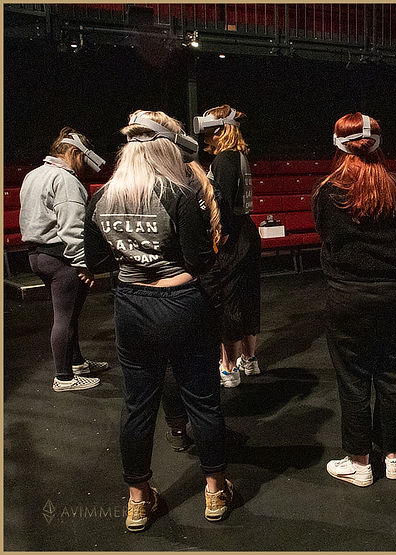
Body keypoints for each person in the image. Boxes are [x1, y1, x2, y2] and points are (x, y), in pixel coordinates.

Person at [84, 110, 233, 531]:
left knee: (137, 407)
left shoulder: (101, 198)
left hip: (131, 307)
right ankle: (216, 490)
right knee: (202, 401)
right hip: (181, 303)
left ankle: (137, 500)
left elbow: (94, 262)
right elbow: (201, 261)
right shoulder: (179, 195)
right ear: (166, 150)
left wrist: (134, 260)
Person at [313, 112, 396, 487]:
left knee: (353, 380)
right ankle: (393, 456)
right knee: (393, 376)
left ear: (338, 145)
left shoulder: (328, 192)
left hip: (346, 299)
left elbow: (328, 242)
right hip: (393, 297)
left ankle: (360, 463)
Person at [19, 127, 109, 392]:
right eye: (82, 158)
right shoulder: (65, 179)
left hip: (37, 255)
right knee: (64, 318)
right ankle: (64, 377)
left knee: (70, 315)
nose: (83, 166)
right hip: (61, 258)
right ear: (72, 152)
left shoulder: (33, 175)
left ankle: (77, 363)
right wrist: (83, 263)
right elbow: (72, 227)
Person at [195, 105, 261, 388]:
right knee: (248, 297)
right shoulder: (240, 156)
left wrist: (219, 235)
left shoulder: (224, 160)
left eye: (209, 133)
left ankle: (229, 367)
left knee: (230, 300)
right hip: (246, 231)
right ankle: (250, 360)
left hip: (232, 236)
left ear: (221, 131)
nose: (205, 139)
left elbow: (220, 202)